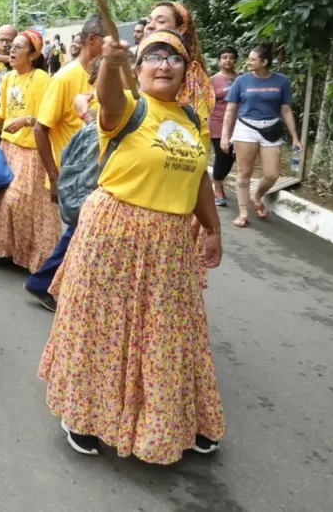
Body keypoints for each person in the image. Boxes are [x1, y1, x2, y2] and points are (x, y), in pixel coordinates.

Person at [39, 30, 225, 464]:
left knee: (167, 335)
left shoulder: (194, 121)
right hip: (113, 232)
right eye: (154, 57)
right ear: (138, 69)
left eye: (173, 58)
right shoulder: (130, 109)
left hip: (171, 242)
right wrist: (109, 61)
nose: (164, 65)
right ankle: (81, 416)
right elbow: (107, 97)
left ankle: (171, 420)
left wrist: (213, 229)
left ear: (186, 69)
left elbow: (198, 179)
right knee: (102, 329)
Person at [24, 16, 104, 312]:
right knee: (77, 235)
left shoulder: (105, 76)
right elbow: (40, 128)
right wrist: (54, 177)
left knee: (81, 236)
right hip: (75, 178)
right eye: (109, 42)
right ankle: (43, 283)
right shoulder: (65, 78)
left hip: (98, 176)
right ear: (93, 41)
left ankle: (51, 285)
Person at [0, 30, 58, 272]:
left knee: (20, 202)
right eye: (11, 46)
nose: (12, 50)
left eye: (19, 47)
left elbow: (48, 118)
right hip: (7, 148)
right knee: (1, 202)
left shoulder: (42, 78)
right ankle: (6, 251)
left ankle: (34, 256)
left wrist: (26, 120)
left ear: (33, 55)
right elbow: (3, 112)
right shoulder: (9, 77)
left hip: (31, 152)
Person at [221, 42, 300, 227]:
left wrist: (295, 137)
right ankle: (242, 213)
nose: (247, 62)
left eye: (252, 59)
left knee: (272, 174)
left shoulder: (281, 81)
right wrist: (225, 135)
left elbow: (286, 110)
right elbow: (230, 109)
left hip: (271, 128)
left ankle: (256, 196)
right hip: (246, 128)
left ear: (264, 62)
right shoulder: (242, 81)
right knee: (244, 172)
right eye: (248, 59)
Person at [144, 1, 215, 121]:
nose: (150, 26)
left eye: (161, 21)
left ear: (181, 29)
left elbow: (198, 125)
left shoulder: (192, 76)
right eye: (148, 21)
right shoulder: (129, 62)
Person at [209, 46, 238, 207]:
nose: (228, 60)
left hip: (238, 124)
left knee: (231, 157)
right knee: (222, 155)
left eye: (231, 57)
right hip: (217, 123)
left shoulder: (241, 79)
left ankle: (219, 180)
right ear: (219, 61)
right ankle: (218, 189)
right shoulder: (212, 81)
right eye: (225, 57)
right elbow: (206, 103)